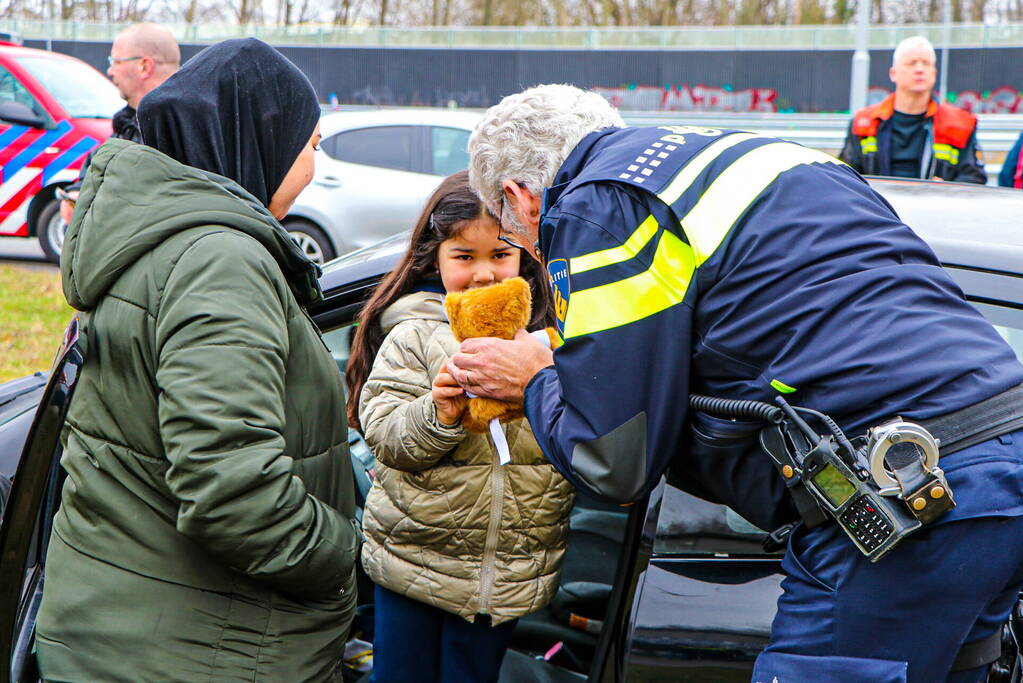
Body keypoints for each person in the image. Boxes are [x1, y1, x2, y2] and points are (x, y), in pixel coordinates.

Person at [454, 83, 1023, 682]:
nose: (532, 250)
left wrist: (537, 380)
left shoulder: (596, 203)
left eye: (517, 237)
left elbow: (614, 459)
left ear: (520, 198)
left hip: (907, 500)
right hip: (1001, 453)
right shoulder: (768, 155)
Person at [35, 38, 360, 681]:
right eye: (311, 145)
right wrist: (349, 551)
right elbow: (232, 491)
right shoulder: (218, 261)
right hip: (201, 648)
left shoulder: (159, 243)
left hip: (124, 627)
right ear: (260, 140)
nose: (312, 169)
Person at [345, 171, 575, 683]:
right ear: (435, 258)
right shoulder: (415, 335)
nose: (483, 274)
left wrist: (542, 376)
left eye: (500, 254)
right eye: (463, 257)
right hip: (415, 558)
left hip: (506, 571)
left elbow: (574, 437)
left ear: (525, 256)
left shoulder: (551, 342)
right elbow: (384, 433)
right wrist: (439, 411)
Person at [59, 22, 180, 224]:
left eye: (116, 61)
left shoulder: (181, 128)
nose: (110, 70)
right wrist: (77, 193)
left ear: (144, 66)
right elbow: (95, 170)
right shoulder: (127, 125)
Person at [840, 35, 986, 184]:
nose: (919, 69)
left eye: (926, 63)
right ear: (893, 73)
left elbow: (974, 178)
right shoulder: (864, 123)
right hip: (876, 206)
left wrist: (946, 191)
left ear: (934, 74)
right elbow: (845, 177)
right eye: (911, 63)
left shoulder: (960, 125)